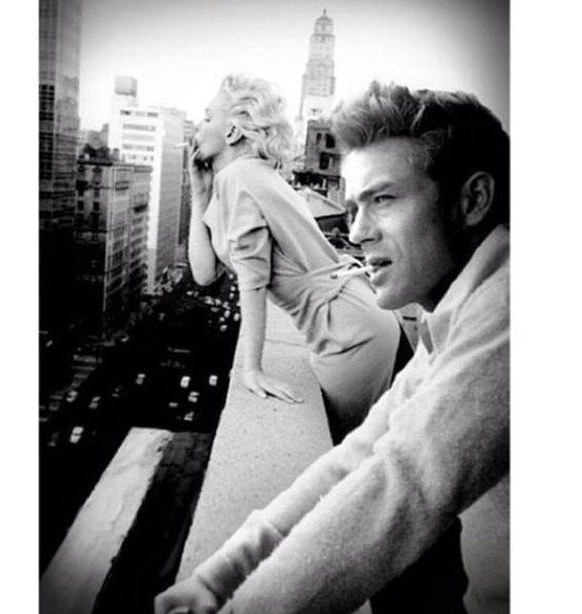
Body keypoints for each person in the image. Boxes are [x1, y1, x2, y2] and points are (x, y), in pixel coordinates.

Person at [155, 82, 509, 614]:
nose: (357, 233)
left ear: (473, 200)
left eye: (383, 199)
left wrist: (251, 366)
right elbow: (363, 455)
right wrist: (216, 578)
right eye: (353, 207)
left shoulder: (509, 311)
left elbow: (401, 487)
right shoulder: (457, 317)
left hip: (347, 330)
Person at [185, 74, 404, 443]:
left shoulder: (240, 178)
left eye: (207, 118)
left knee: (346, 455)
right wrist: (198, 194)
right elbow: (205, 273)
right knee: (349, 451)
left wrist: (251, 369)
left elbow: (252, 282)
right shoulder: (245, 177)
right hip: (349, 320)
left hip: (347, 331)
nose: (198, 127)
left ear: (233, 131)